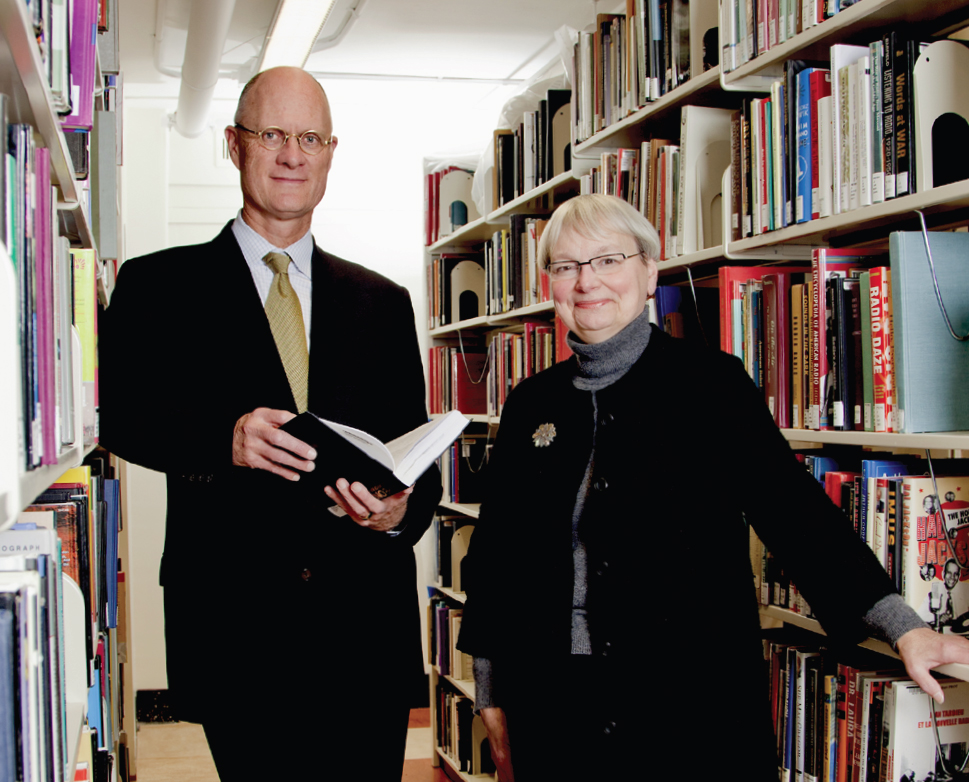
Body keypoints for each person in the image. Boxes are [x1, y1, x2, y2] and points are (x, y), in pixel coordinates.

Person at [456, 194, 969, 781]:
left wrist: (903, 626)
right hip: (554, 702)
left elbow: (797, 516)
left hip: (690, 705)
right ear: (551, 283)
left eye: (607, 260)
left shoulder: (711, 384)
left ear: (649, 271)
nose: (586, 282)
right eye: (567, 266)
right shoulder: (530, 404)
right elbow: (496, 556)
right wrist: (491, 690)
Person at [99, 67, 440, 780]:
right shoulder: (157, 285)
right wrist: (221, 439)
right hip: (236, 626)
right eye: (272, 134)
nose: (292, 155)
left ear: (330, 153)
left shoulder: (381, 300)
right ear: (234, 144)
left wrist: (396, 512)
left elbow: (415, 455)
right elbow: (122, 419)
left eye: (309, 138)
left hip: (362, 631)